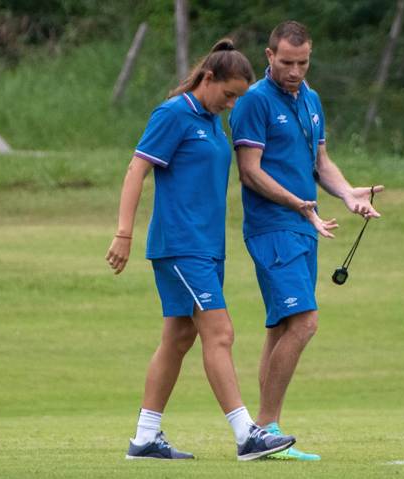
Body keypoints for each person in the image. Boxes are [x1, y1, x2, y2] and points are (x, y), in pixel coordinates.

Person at [105, 38, 295, 461]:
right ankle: (247, 433)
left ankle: (145, 437)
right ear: (208, 78)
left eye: (237, 98)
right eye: (227, 94)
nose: (231, 104)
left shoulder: (212, 122)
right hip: (181, 246)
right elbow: (137, 168)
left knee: (178, 338)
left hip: (207, 248)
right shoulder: (174, 114)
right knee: (220, 333)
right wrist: (124, 232)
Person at [229, 21, 384, 461]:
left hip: (303, 225)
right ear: (268, 56)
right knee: (305, 323)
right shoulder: (254, 102)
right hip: (273, 226)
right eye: (287, 62)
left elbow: (321, 160)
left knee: (281, 326)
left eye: (303, 62)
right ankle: (266, 429)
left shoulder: (311, 99)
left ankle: (261, 432)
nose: (295, 71)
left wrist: (348, 193)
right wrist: (299, 203)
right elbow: (250, 171)